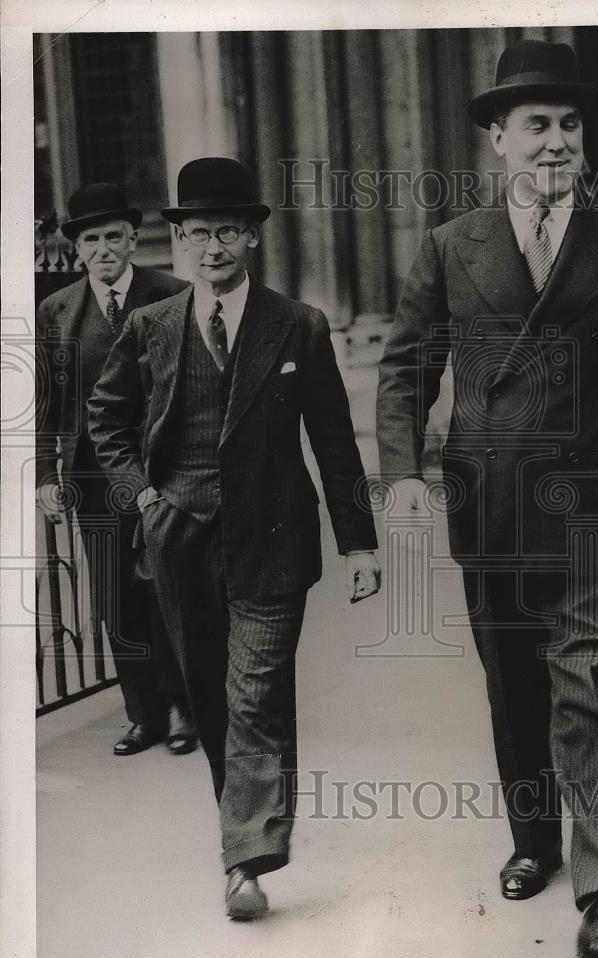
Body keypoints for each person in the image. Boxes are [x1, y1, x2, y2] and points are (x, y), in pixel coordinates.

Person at [376, 40, 598, 958]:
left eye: (569, 124)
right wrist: (403, 474)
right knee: (515, 692)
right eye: (536, 125)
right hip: (495, 505)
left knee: (590, 691)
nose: (556, 142)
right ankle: (531, 843)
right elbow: (406, 367)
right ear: (496, 141)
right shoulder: (449, 246)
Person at [88, 157, 381, 919]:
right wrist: (144, 498)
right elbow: (106, 420)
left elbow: (333, 441)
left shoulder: (299, 325)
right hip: (177, 538)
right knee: (213, 700)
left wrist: (360, 544)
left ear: (251, 237)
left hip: (273, 541)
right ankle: (241, 833)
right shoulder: (152, 328)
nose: (211, 247)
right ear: (179, 241)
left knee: (254, 691)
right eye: (196, 233)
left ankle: (246, 861)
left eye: (226, 231)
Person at [36, 182, 197, 756]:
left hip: (161, 468)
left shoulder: (172, 293)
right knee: (113, 593)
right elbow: (50, 397)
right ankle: (143, 712)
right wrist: (46, 477)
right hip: (91, 474)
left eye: (112, 236)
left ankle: (184, 708)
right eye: (89, 240)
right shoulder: (57, 309)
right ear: (75, 248)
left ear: (132, 239)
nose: (102, 249)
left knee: (164, 585)